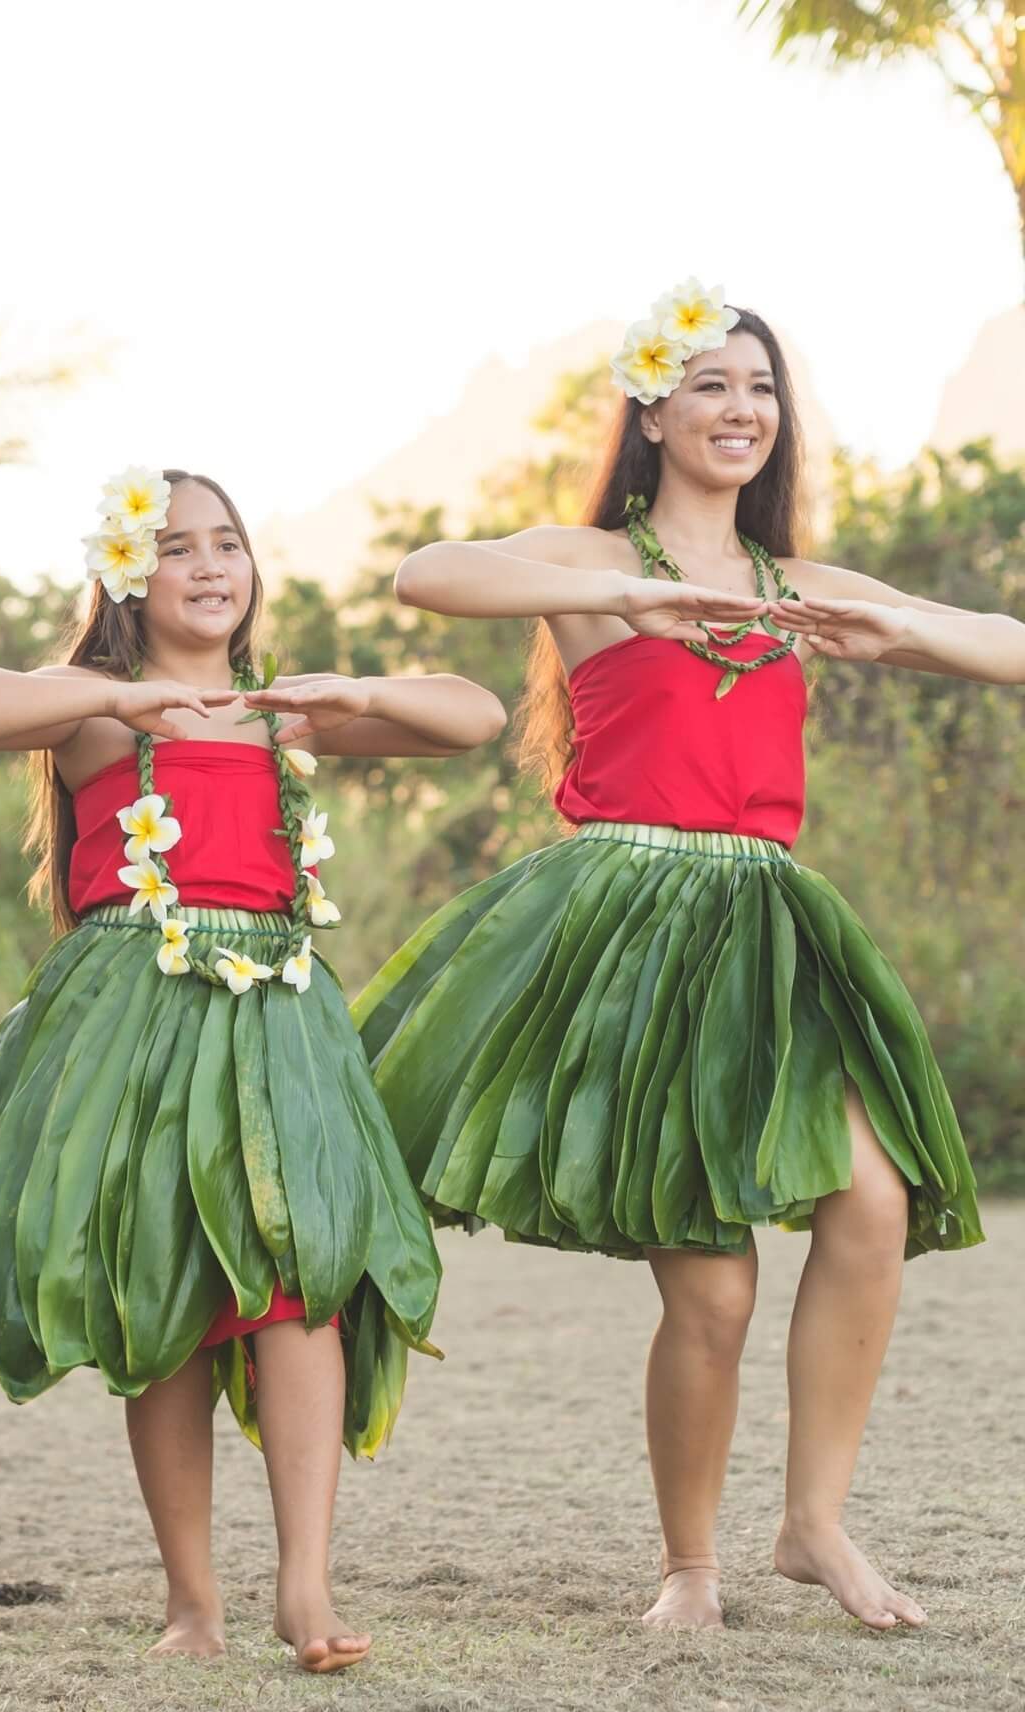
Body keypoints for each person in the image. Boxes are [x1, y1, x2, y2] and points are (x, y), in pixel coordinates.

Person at [353, 280, 1017, 1632]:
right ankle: (691, 1565)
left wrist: (899, 630)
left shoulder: (797, 586)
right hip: (634, 942)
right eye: (712, 384)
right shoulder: (593, 565)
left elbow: (1010, 645)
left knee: (872, 1206)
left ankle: (813, 1525)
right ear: (652, 411)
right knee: (712, 1288)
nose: (743, 409)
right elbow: (432, 575)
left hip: (769, 931)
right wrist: (640, 601)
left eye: (762, 388)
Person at [0, 466, 505, 1671]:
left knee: (301, 1279)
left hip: (278, 1014)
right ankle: (191, 1602)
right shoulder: (92, 714)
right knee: (162, 1293)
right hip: (133, 1011)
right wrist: (133, 701)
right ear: (129, 572)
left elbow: (472, 714)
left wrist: (352, 688)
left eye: (227, 542)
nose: (211, 565)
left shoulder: (284, 714)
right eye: (176, 547)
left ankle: (306, 1585)